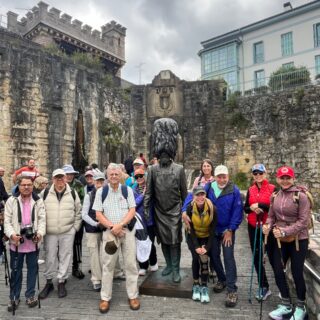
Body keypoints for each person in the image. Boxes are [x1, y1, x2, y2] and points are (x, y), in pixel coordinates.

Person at [183, 164, 243, 307]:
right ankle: (222, 279)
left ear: (228, 176)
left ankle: (231, 289)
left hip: (227, 230)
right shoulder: (209, 187)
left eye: (225, 177)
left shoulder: (234, 190)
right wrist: (184, 210)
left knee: (228, 257)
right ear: (215, 177)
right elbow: (192, 196)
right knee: (214, 257)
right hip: (213, 230)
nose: (222, 180)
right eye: (219, 177)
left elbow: (237, 211)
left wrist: (231, 229)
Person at [263, 166, 310, 320]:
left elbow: (303, 221)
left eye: (287, 178)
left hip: (298, 240)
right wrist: (267, 225)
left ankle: (301, 307)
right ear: (277, 179)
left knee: (296, 273)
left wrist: (285, 231)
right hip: (280, 240)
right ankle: (286, 304)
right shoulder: (275, 195)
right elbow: (271, 216)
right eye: (282, 178)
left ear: (293, 178)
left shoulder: (301, 196)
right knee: (277, 270)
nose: (284, 181)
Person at [144, 118, 188, 283]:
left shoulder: (179, 170)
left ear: (170, 154)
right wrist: (147, 209)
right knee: (163, 240)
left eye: (165, 155)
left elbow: (185, 194)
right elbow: (148, 192)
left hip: (175, 211)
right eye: (160, 155)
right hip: (159, 211)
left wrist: (185, 211)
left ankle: (176, 269)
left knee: (175, 240)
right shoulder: (152, 170)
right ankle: (169, 265)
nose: (162, 158)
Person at [93, 163, 139, 313]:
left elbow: (132, 210)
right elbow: (98, 214)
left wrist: (120, 225)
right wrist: (113, 228)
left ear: (121, 176)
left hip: (127, 232)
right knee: (108, 266)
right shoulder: (101, 192)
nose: (113, 176)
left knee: (131, 264)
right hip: (109, 233)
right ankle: (105, 298)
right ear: (107, 176)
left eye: (116, 174)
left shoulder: (127, 191)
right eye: (111, 174)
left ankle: (132, 295)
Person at [4, 176, 46, 311]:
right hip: (16, 243)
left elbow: (42, 219)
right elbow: (7, 221)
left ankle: (30, 295)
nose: (26, 187)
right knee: (16, 271)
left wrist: (39, 233)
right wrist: (12, 234)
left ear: (33, 186)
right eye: (23, 185)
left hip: (33, 242)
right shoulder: (11, 200)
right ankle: (14, 296)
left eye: (29, 185)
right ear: (19, 186)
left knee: (33, 270)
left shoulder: (38, 201)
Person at [39, 169, 82, 299]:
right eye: (57, 178)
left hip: (67, 231)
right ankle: (49, 281)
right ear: (53, 179)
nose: (60, 180)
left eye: (62, 177)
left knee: (65, 256)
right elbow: (38, 210)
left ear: (65, 178)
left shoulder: (73, 193)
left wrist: (75, 228)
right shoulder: (45, 193)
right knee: (50, 257)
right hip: (50, 232)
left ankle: (62, 281)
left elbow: (78, 212)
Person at [244, 164, 275, 301]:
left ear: (265, 173)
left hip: (268, 227)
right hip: (253, 225)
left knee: (273, 257)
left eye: (260, 173)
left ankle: (283, 287)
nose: (258, 176)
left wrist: (260, 206)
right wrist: (251, 208)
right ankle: (264, 286)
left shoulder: (273, 188)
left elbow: (274, 207)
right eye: (255, 173)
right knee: (257, 257)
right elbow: (245, 208)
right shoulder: (250, 190)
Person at [185, 185, 217, 304]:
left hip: (206, 236)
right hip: (193, 236)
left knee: (204, 259)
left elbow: (213, 230)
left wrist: (207, 247)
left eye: (202, 194)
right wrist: (197, 246)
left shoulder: (212, 208)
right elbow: (191, 230)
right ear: (194, 196)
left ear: (205, 195)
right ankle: (195, 283)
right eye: (197, 195)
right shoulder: (189, 208)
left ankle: (204, 286)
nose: (200, 197)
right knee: (195, 257)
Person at [82, 171, 105, 291]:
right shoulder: (89, 196)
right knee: (94, 254)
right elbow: (84, 214)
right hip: (92, 228)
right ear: (94, 182)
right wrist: (96, 223)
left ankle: (107, 275)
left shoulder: (107, 194)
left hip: (106, 228)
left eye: (102, 181)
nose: (100, 184)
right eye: (98, 182)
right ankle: (96, 279)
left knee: (106, 253)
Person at [132, 168, 158, 276]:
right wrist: (142, 196)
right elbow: (133, 204)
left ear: (145, 176)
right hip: (139, 221)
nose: (139, 178)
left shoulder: (151, 188)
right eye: (136, 177)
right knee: (140, 243)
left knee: (150, 242)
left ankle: (153, 262)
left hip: (150, 220)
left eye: (141, 176)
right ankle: (143, 265)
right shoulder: (133, 189)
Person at [62, 164, 85, 279]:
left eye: (71, 174)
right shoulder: (59, 185)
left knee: (77, 243)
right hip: (63, 219)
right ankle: (63, 270)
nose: (69, 176)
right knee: (64, 245)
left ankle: (76, 267)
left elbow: (82, 201)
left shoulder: (78, 185)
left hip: (76, 217)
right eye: (67, 174)